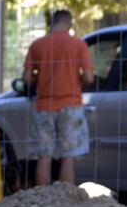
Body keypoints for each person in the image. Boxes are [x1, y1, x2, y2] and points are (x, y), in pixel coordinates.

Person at [23, 10, 94, 186]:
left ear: (51, 23)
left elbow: (27, 78)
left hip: (44, 106)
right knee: (68, 156)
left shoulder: (37, 45)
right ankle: (65, 199)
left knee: (44, 156)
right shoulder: (79, 45)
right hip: (71, 105)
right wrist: (75, 79)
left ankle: (43, 197)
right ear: (70, 24)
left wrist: (41, 78)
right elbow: (89, 77)